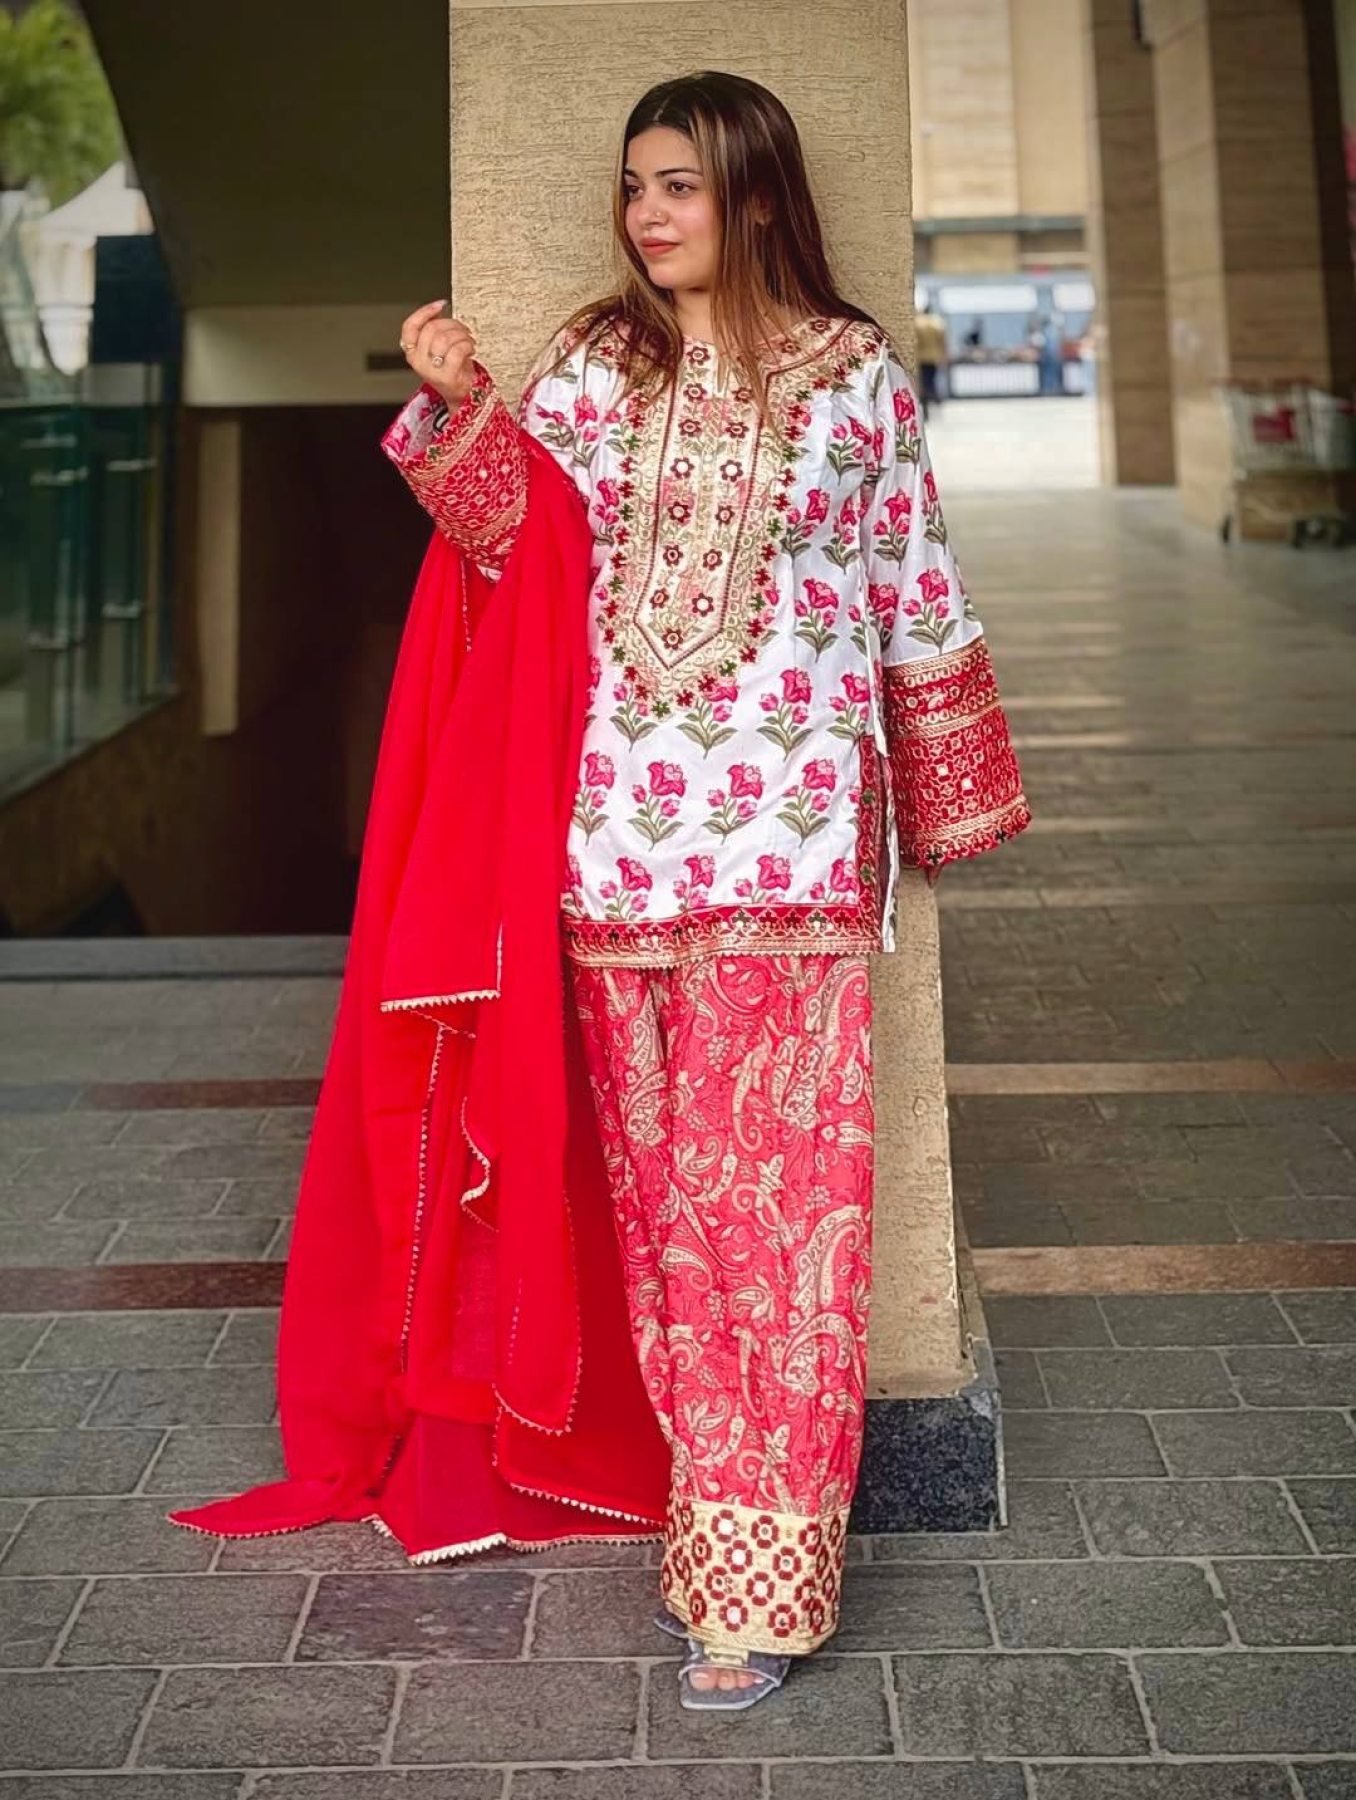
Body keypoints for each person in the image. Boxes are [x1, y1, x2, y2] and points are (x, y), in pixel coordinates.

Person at [174, 70, 1028, 1715]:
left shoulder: (855, 379)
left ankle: (757, 1592)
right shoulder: (592, 364)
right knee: (662, 1237)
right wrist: (454, 412)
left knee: (780, 1234)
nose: (648, 213)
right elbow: (518, 557)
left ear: (757, 196)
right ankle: (700, 1518)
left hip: (788, 869)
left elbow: (913, 588)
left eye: (679, 185)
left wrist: (948, 803)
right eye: (635, 185)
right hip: (612, 864)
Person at [915, 305, 948, 420]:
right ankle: (933, 398)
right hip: (933, 357)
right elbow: (942, 341)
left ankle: (926, 402)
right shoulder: (937, 323)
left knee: (922, 383)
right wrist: (944, 356)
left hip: (920, 357)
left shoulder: (917, 322)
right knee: (930, 380)